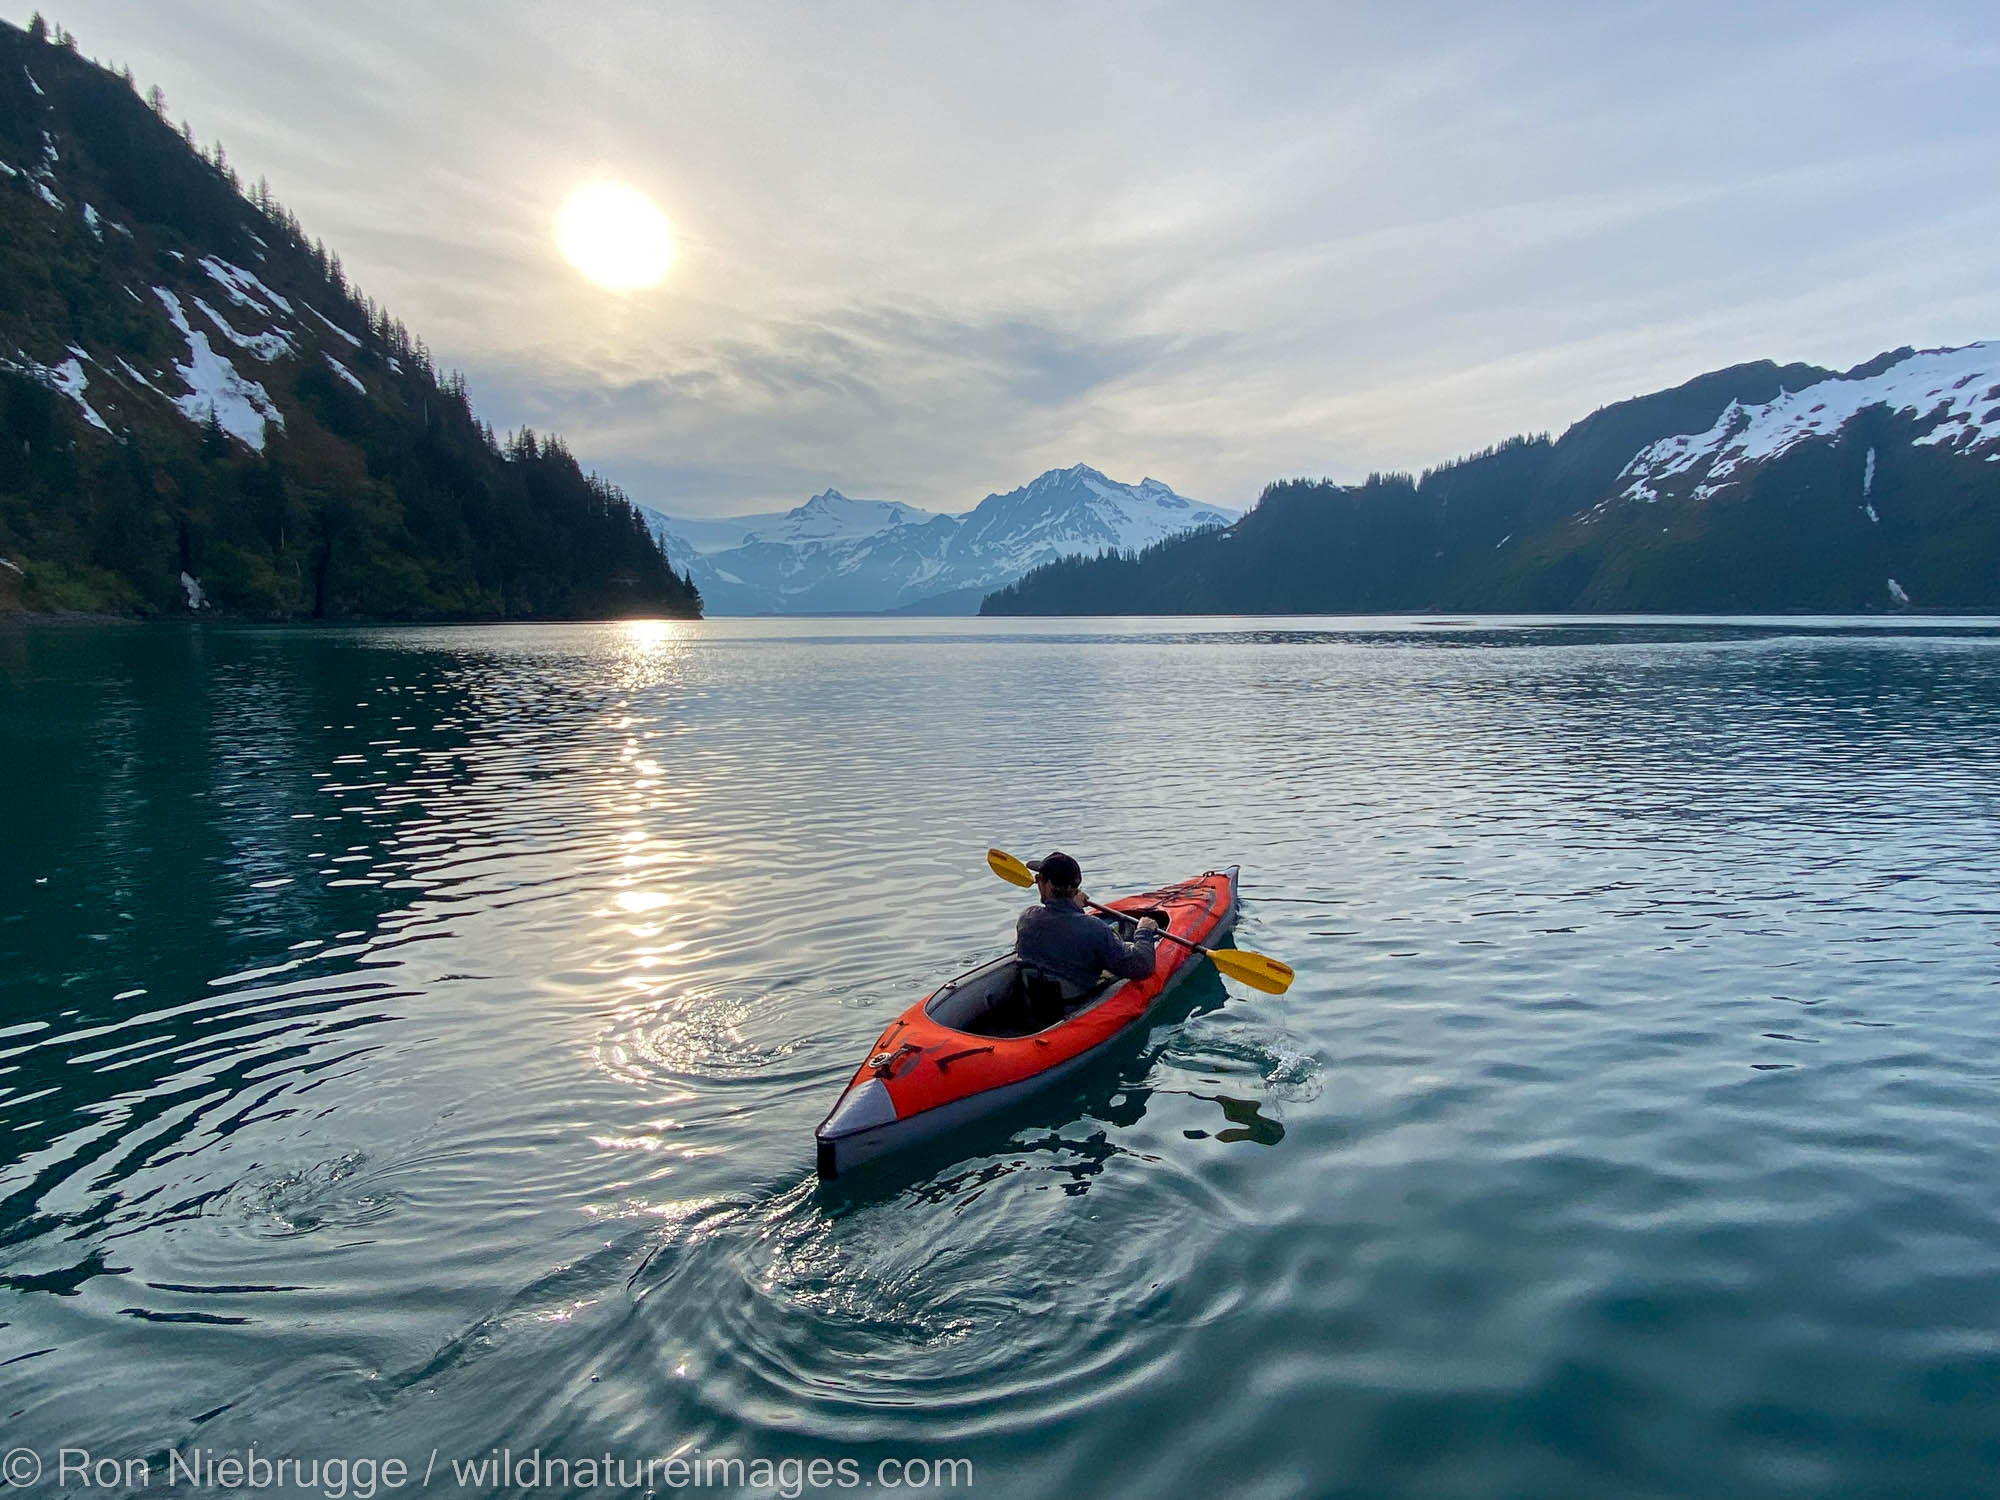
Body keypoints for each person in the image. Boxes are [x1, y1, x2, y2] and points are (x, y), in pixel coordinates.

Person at [1014, 851, 1160, 1012]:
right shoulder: (1094, 928)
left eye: (1039, 879)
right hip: (1072, 1008)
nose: (1037, 883)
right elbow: (1143, 967)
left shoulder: (1027, 918)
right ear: (1074, 888)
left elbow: (1060, 921)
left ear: (1048, 885)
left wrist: (1073, 905)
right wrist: (1144, 931)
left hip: (1036, 1006)